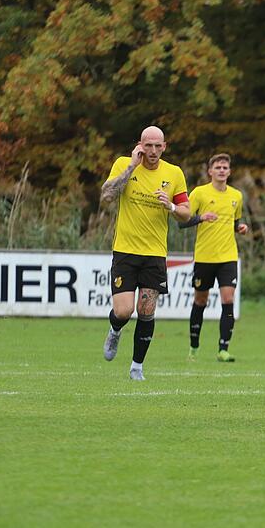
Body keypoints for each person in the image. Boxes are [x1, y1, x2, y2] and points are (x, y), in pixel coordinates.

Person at [100, 126, 191, 380]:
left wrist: (171, 205)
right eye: (147, 145)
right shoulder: (123, 164)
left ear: (165, 146)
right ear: (139, 145)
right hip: (125, 251)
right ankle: (115, 330)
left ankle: (137, 367)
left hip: (154, 254)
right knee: (123, 311)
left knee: (147, 310)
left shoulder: (174, 173)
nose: (152, 151)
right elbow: (107, 196)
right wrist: (130, 167)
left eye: (157, 146)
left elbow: (187, 212)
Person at [179, 153, 249, 362]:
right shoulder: (200, 193)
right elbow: (182, 222)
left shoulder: (236, 196)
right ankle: (194, 346)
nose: (221, 170)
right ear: (210, 171)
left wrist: (240, 228)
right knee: (201, 300)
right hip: (204, 257)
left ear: (229, 171)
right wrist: (201, 217)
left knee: (228, 300)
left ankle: (223, 349)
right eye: (217, 167)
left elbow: (235, 223)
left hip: (228, 256)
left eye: (225, 167)